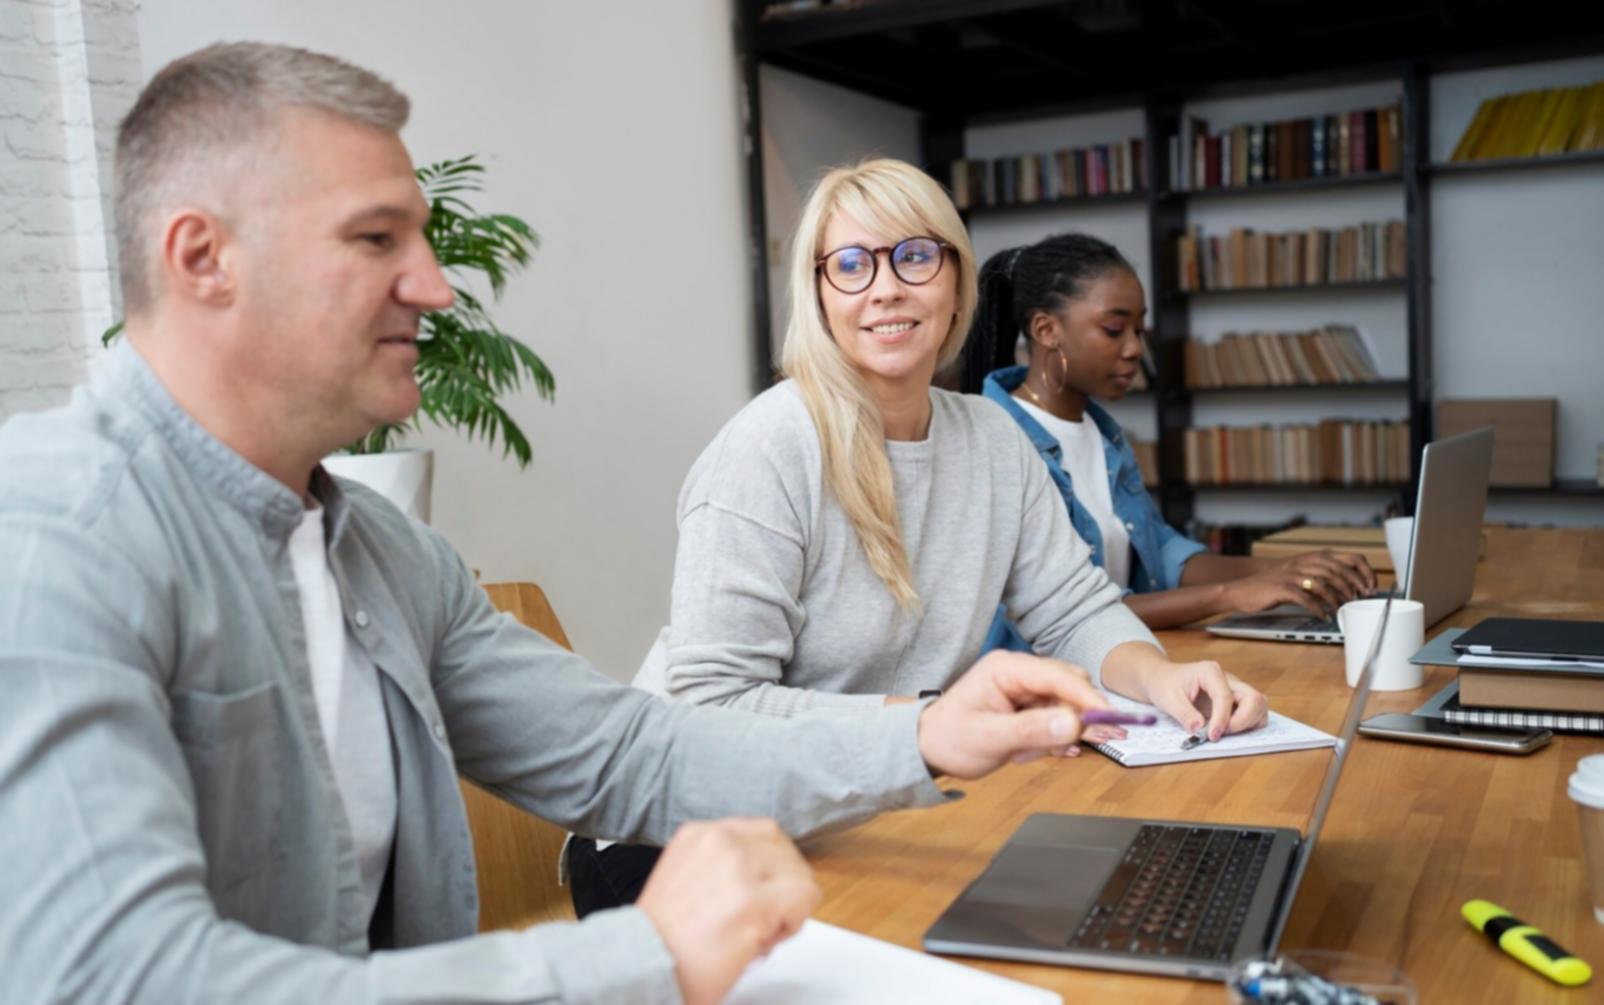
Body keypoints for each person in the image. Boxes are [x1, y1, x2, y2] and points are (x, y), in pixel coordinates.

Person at [0, 44, 1152, 1005]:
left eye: (422, 238)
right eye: (374, 240)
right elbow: (113, 976)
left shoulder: (383, 555)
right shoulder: (52, 531)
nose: (436, 286)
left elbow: (629, 749)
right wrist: (641, 954)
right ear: (202, 258)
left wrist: (921, 739)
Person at [568, 160, 1269, 915]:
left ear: (956, 282)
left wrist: (1162, 680)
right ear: (818, 294)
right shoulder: (769, 446)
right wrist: (929, 722)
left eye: (914, 255)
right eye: (849, 264)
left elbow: (1071, 607)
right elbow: (712, 705)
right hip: (679, 838)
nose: (885, 287)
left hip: (861, 808)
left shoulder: (995, 440)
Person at [966, 232, 1378, 635]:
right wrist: (1231, 594)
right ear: (1045, 330)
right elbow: (1071, 611)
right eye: (1114, 329)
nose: (1135, 350)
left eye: (1139, 331)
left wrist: (1291, 569)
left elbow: (1163, 553)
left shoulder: (1102, 432)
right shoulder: (995, 442)